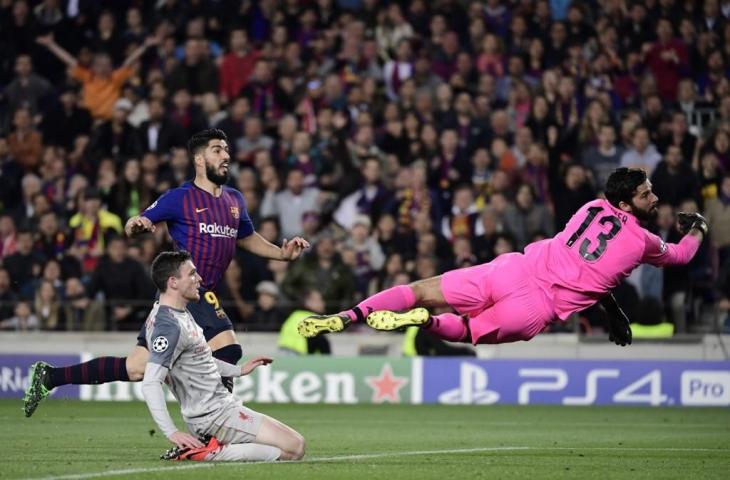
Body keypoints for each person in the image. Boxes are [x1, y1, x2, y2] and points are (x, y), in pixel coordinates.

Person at [23, 129, 309, 417]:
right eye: (217, 150)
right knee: (228, 348)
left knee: (136, 367)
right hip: (184, 290)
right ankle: (216, 426)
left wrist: (281, 254)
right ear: (199, 159)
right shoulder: (180, 198)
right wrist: (136, 225)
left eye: (226, 149)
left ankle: (50, 377)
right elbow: (138, 222)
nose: (226, 156)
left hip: (195, 295)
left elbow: (246, 237)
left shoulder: (234, 200)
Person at [298, 168, 708, 347]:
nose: (654, 198)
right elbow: (680, 255)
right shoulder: (644, 243)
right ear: (625, 201)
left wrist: (609, 304)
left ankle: (348, 317)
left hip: (512, 269)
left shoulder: (589, 208)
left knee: (417, 288)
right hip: (535, 308)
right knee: (465, 330)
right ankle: (424, 322)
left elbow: (587, 261)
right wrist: (697, 228)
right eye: (646, 194)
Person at [147, 251, 306, 460]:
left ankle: (211, 448)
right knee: (295, 448)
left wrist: (239, 370)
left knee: (291, 446)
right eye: (192, 274)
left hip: (216, 411)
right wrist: (171, 432)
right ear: (173, 282)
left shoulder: (179, 313)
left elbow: (199, 361)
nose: (200, 279)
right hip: (215, 416)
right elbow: (150, 382)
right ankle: (209, 452)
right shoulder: (169, 327)